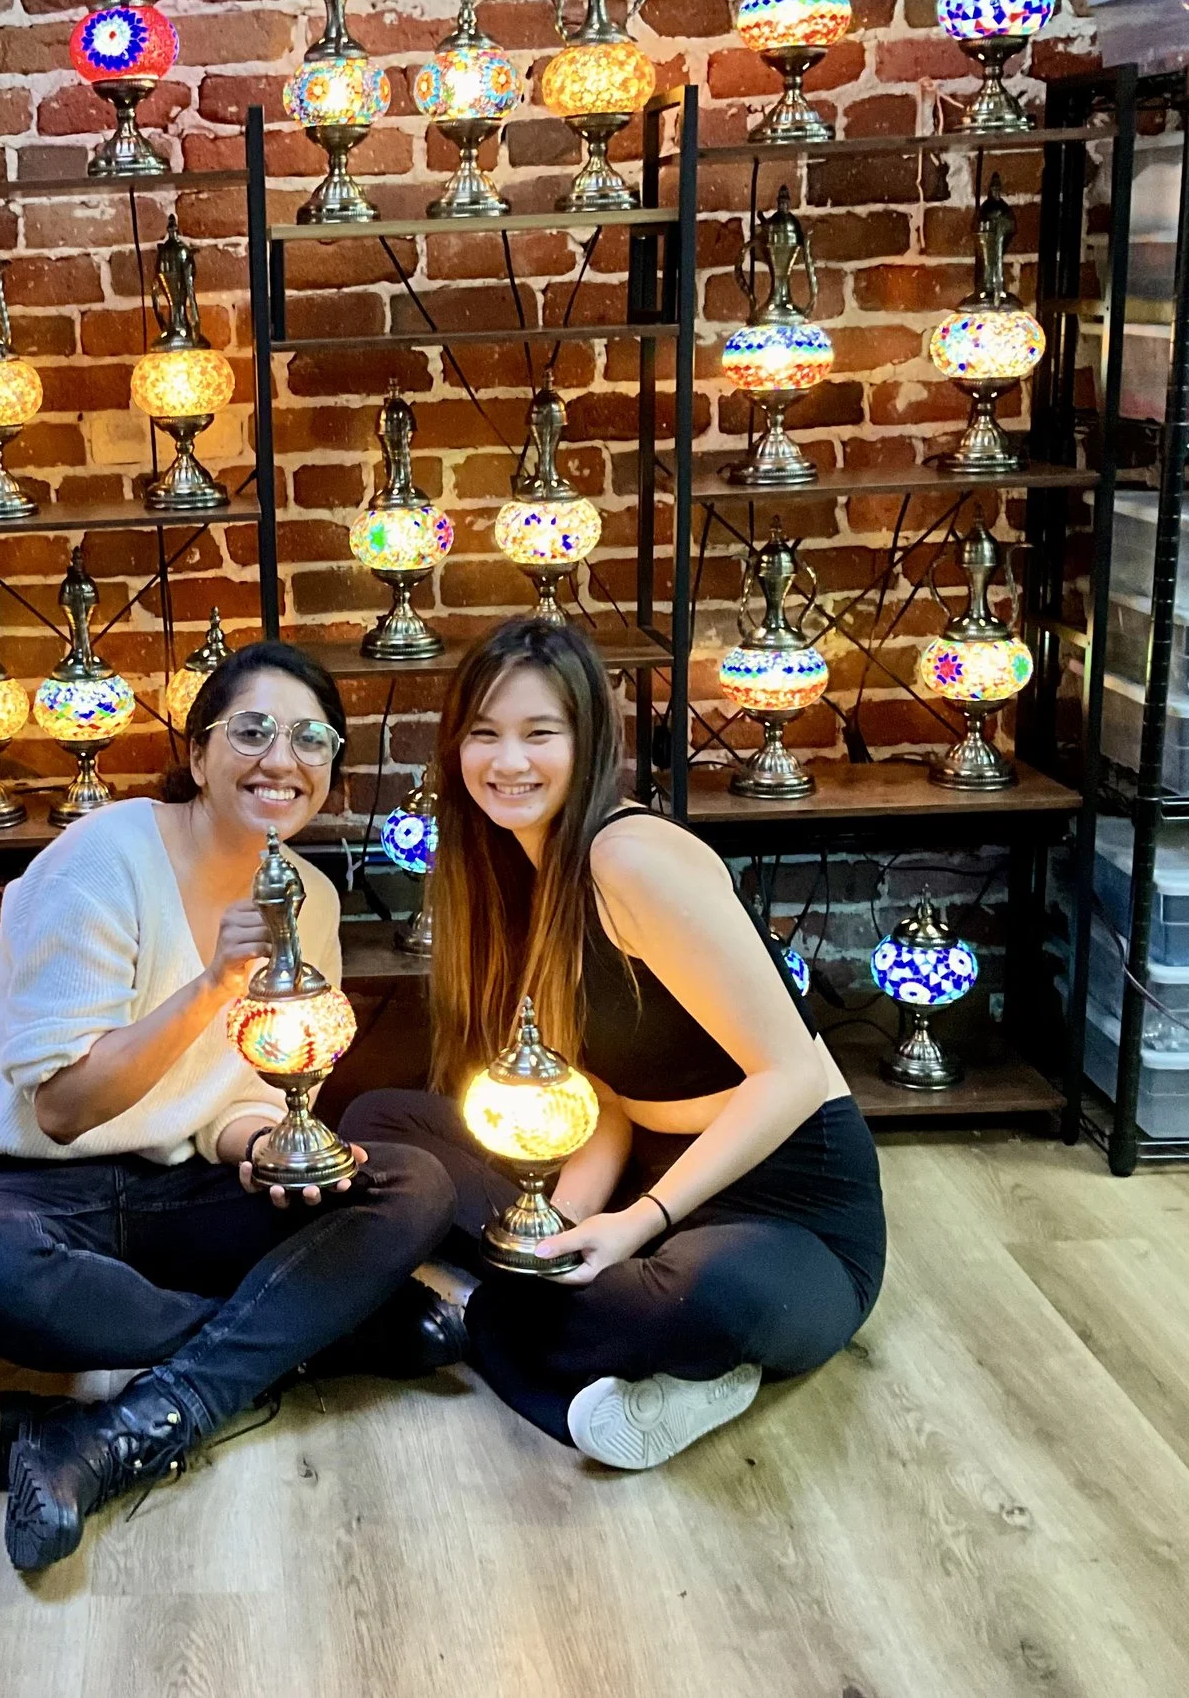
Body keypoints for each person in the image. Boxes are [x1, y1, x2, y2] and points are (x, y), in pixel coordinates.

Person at [0, 642, 461, 1571]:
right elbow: (63, 1106)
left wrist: (266, 1147)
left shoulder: (313, 901)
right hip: (34, 1188)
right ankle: (305, 1326)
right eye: (251, 730)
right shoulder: (105, 856)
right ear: (201, 752)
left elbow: (243, 1099)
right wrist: (214, 981)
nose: (280, 759)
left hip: (187, 1183)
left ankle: (102, 1430)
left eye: (310, 738)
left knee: (411, 1181)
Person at [345, 616, 884, 1469]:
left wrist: (638, 1222)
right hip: (642, 1182)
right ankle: (570, 1339)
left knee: (700, 1299)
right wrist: (567, 1221)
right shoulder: (513, 873)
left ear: (587, 741)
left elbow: (787, 1076)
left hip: (782, 1206)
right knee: (383, 1123)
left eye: (538, 733)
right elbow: (597, 1102)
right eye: (484, 733)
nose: (508, 761)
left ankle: (505, 1321)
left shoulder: (630, 858)